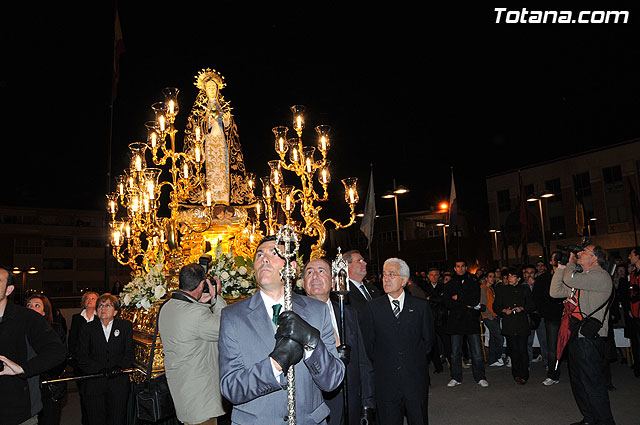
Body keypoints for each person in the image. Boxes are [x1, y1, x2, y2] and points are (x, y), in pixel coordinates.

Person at [218, 236, 345, 425]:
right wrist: (274, 365)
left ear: (292, 267)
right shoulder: (233, 316)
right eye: (259, 255)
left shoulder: (317, 311)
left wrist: (312, 346)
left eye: (274, 253)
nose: (265, 259)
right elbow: (231, 388)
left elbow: (332, 381)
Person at [302, 259, 376, 425]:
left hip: (350, 402)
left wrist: (367, 403)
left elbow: (363, 361)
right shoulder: (295, 317)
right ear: (302, 283)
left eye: (321, 271)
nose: (315, 276)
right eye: (309, 272)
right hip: (315, 408)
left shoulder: (348, 313)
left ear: (333, 281)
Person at [550, 243, 616, 425]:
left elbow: (571, 280)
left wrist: (570, 262)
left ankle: (605, 421)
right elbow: (555, 292)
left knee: (592, 383)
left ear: (594, 258)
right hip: (576, 334)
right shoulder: (582, 277)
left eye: (584, 252)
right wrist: (561, 268)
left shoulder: (600, 276)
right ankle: (589, 418)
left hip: (589, 337)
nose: (579, 254)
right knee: (579, 382)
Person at [362, 258, 433, 425]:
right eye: (384, 274)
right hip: (386, 380)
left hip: (415, 379)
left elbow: (428, 342)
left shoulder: (421, 307)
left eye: (391, 274)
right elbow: (369, 345)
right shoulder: (372, 308)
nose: (386, 278)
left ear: (404, 280)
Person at [159, 263, 227, 425]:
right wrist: (217, 298)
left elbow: (193, 328)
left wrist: (201, 302)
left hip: (182, 392)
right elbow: (225, 327)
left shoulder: (167, 307)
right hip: (200, 399)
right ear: (202, 284)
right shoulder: (196, 315)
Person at [0, 265, 67, 425]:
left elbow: (57, 352)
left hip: (17, 413)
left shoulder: (27, 319)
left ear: (8, 290)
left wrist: (23, 368)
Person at [76, 293, 133, 425]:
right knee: (96, 419)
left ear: (116, 311)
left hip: (118, 383)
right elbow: (81, 356)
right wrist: (99, 369)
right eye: (100, 305)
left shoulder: (125, 327)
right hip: (94, 382)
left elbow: (129, 353)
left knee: (117, 419)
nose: (103, 308)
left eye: (108, 305)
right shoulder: (87, 328)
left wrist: (119, 367)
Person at [443, 259, 488, 388]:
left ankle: (480, 377)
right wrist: (465, 303)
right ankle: (456, 377)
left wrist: (459, 298)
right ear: (455, 268)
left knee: (477, 352)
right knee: (455, 353)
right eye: (458, 266)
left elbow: (474, 301)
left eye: (463, 266)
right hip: (456, 322)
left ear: (466, 267)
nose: (461, 268)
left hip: (471, 321)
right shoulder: (450, 284)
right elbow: (447, 302)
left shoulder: (472, 283)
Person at [26, 294, 68, 425]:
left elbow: (59, 359)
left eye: (37, 305)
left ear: (44, 312)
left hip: (49, 385)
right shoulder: (19, 331)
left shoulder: (55, 330)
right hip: (26, 386)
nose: (31, 308)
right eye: (29, 305)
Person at [493, 268, 535, 384]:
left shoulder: (525, 289)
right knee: (514, 350)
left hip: (522, 323)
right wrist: (503, 311)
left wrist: (522, 308)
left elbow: (531, 305)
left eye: (513, 276)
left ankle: (524, 374)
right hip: (509, 323)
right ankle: (516, 374)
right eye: (509, 276)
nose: (509, 278)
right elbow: (496, 306)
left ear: (519, 279)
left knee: (523, 349)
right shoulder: (502, 290)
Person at [532, 251, 565, 385]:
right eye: (554, 259)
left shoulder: (571, 276)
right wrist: (545, 311)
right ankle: (553, 375)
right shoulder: (544, 279)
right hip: (552, 318)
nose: (557, 261)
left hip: (571, 317)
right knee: (552, 348)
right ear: (550, 262)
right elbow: (536, 298)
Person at [68, 290, 99, 425]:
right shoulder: (77, 318)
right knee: (83, 394)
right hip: (80, 364)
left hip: (97, 363)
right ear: (84, 302)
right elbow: (72, 340)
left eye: (93, 298)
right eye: (88, 298)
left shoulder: (101, 317)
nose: (90, 300)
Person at [619, 246, 640, 378]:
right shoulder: (632, 274)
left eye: (631, 255)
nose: (629, 257)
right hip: (635, 313)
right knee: (636, 341)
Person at [523, 264, 548, 367]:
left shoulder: (540, 284)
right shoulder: (521, 285)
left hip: (539, 316)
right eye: (527, 273)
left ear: (535, 273)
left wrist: (535, 286)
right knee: (528, 341)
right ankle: (527, 363)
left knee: (544, 341)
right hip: (528, 316)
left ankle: (548, 363)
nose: (529, 275)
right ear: (524, 274)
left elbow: (543, 298)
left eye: (532, 272)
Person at [480, 271, 504, 367]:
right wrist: (490, 317)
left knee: (494, 338)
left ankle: (493, 359)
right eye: (490, 276)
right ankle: (497, 356)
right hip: (489, 317)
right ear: (486, 278)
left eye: (493, 277)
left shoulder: (491, 289)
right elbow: (483, 305)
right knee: (499, 337)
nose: (492, 278)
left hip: (494, 316)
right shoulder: (484, 289)